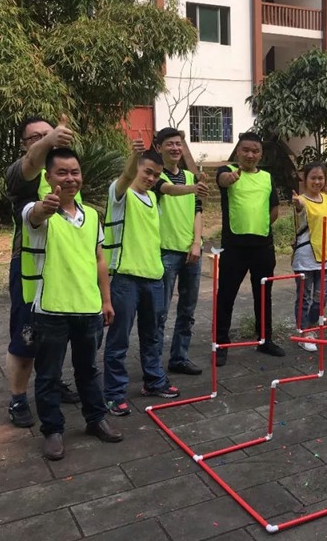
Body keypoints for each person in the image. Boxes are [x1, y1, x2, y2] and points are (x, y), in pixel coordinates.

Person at [21, 147, 123, 459]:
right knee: (49, 375)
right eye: (61, 172)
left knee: (88, 370)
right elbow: (35, 216)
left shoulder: (91, 215)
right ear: (48, 176)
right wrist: (44, 207)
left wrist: (106, 300)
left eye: (74, 172)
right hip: (51, 310)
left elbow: (99, 259)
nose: (69, 178)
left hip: (88, 308)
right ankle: (53, 430)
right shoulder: (36, 211)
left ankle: (96, 419)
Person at [4, 115, 79, 428]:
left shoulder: (67, 172)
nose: (43, 140)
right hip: (30, 269)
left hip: (66, 265)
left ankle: (51, 382)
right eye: (34, 137)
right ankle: (18, 399)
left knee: (58, 333)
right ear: (25, 144)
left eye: (47, 134)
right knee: (27, 336)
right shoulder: (21, 173)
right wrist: (48, 140)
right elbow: (31, 163)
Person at [102, 141, 180, 417]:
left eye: (156, 175)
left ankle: (154, 380)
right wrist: (133, 156)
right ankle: (113, 393)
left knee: (152, 335)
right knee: (119, 339)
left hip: (153, 277)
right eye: (147, 171)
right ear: (136, 168)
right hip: (125, 278)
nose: (151, 178)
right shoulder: (120, 195)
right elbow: (125, 177)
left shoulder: (153, 200)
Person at [215, 132, 284, 363]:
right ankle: (221, 343)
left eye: (255, 151)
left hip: (262, 247)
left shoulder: (267, 177)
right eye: (246, 150)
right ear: (238, 151)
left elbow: (274, 209)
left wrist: (259, 225)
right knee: (226, 295)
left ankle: (265, 340)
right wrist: (230, 178)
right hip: (234, 247)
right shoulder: (226, 170)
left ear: (261, 154)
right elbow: (222, 180)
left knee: (263, 295)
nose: (250, 155)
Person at [152, 127, 209, 375]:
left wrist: (197, 242)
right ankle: (153, 365)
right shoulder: (154, 176)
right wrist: (195, 187)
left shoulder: (189, 176)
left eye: (178, 144)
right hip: (165, 252)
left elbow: (198, 212)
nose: (175, 148)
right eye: (170, 144)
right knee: (159, 312)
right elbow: (167, 189)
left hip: (191, 252)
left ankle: (179, 357)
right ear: (159, 148)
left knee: (187, 310)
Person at [292, 163, 327, 352]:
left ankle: (311, 326)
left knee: (322, 297)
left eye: (320, 178)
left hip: (326, 256)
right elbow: (299, 210)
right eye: (313, 178)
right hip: (305, 257)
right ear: (305, 179)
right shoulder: (301, 200)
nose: (317, 181)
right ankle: (303, 333)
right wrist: (298, 205)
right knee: (304, 297)